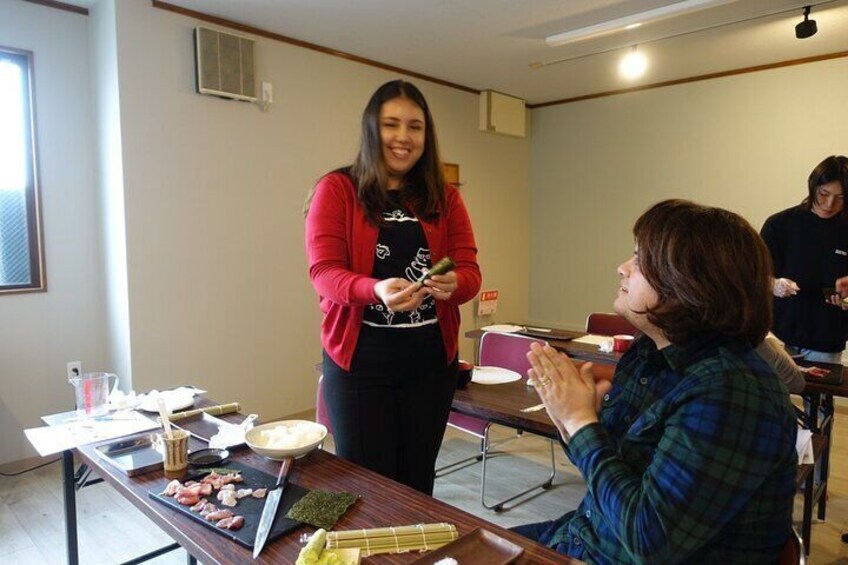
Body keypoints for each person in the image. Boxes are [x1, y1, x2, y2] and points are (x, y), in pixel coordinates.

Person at [514, 200, 797, 563]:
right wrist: (571, 416)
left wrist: (580, 423)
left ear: (691, 283)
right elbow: (608, 466)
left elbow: (651, 542)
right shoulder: (651, 352)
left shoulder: (730, 392)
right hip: (589, 535)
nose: (622, 268)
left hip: (620, 552)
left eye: (640, 259)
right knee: (447, 549)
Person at [304, 80, 481, 495]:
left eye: (415, 127)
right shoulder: (338, 189)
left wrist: (454, 284)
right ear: (371, 129)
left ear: (427, 136)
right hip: (360, 365)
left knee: (418, 480)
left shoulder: (446, 198)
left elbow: (470, 270)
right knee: (367, 486)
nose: (404, 137)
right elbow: (324, 272)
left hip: (431, 365)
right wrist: (375, 289)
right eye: (391, 124)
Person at [761, 155, 848, 364]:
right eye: (823, 194)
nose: (829, 204)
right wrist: (772, 284)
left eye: (841, 197)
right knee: (775, 394)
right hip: (777, 334)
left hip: (826, 335)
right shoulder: (780, 224)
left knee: (819, 394)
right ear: (812, 187)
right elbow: (751, 275)